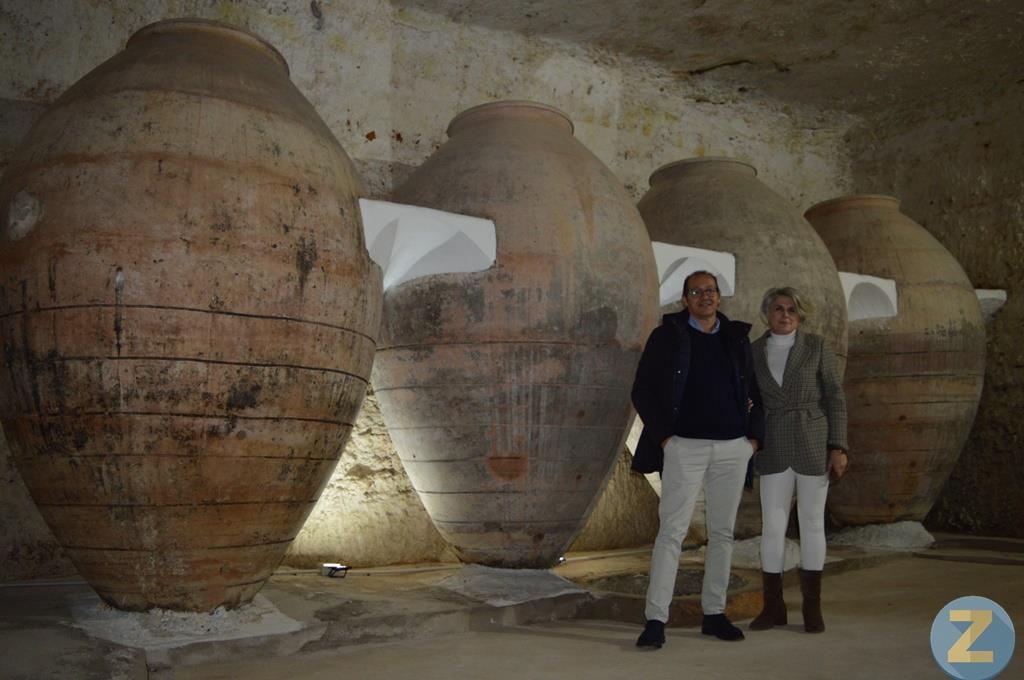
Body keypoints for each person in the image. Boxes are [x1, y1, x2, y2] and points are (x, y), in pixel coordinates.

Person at [632, 271, 764, 649]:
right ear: (685, 299)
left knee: (722, 533)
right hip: (684, 446)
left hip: (732, 448)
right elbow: (642, 390)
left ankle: (714, 613)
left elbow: (754, 390)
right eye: (696, 291)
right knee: (671, 532)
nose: (704, 297)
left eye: (710, 291)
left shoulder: (736, 338)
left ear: (719, 297)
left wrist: (753, 440)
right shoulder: (668, 337)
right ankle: (656, 619)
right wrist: (665, 439)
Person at [747, 286, 848, 634]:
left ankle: (811, 607)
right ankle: (773, 607)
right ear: (767, 314)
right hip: (773, 444)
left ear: (800, 315)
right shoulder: (754, 351)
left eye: (791, 309)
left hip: (812, 442)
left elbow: (835, 396)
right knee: (772, 526)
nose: (785, 314)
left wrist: (838, 445)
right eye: (778, 308)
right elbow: (750, 401)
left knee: (812, 522)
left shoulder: (817, 347)